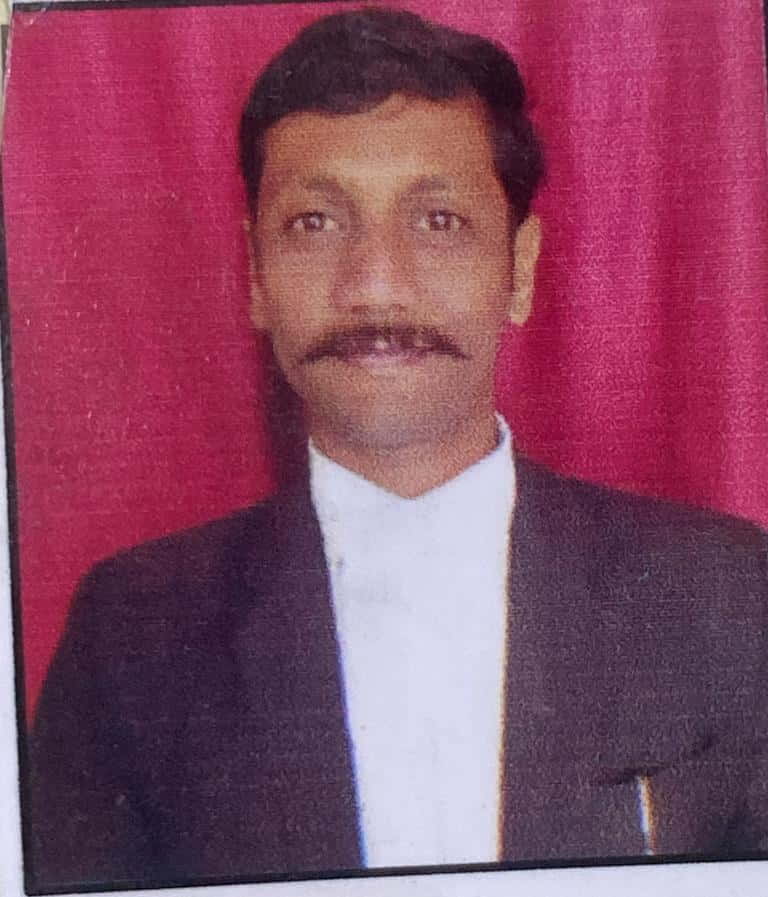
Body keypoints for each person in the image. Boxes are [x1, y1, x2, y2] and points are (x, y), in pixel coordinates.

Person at [27, 7, 768, 892]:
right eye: (315, 222)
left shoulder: (725, 596)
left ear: (521, 269)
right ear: (256, 275)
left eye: (438, 220)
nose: (375, 284)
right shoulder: (131, 638)